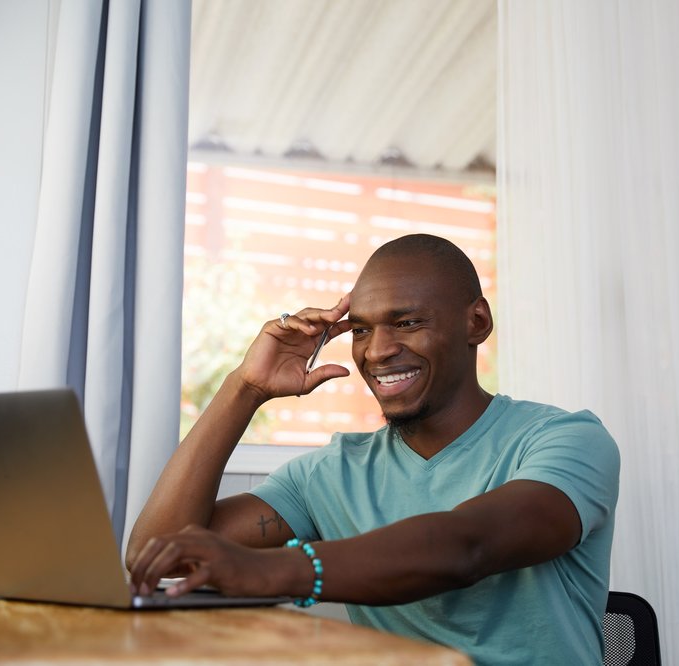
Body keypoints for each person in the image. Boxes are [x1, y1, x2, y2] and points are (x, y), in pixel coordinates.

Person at [127, 234, 620, 665]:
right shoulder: (330, 474)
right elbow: (159, 558)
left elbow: (466, 547)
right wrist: (245, 388)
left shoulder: (567, 440)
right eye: (361, 329)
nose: (377, 350)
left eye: (406, 323)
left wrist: (268, 570)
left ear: (476, 321)